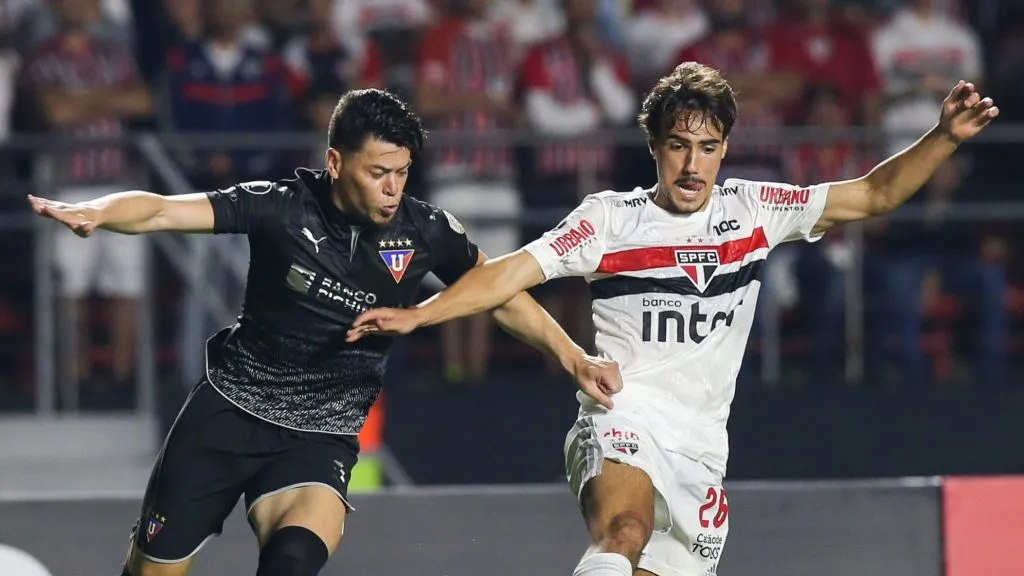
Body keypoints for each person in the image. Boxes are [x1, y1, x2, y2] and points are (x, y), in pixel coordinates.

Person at [347, 64, 1000, 575]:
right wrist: (421, 315)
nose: (693, 165)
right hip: (622, 411)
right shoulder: (609, 220)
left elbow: (874, 194)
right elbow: (507, 274)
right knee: (622, 532)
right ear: (655, 147)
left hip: (702, 449)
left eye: (708, 147)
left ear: (725, 148)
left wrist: (942, 137)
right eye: (679, 146)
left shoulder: (756, 209)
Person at [27, 88, 622, 576]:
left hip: (322, 434)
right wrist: (102, 211)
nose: (393, 189)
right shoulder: (281, 206)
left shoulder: (424, 231)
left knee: (293, 562)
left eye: (403, 173)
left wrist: (574, 358)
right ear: (336, 162)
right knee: (151, 571)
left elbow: (499, 293)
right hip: (227, 415)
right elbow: (161, 209)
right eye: (379, 173)